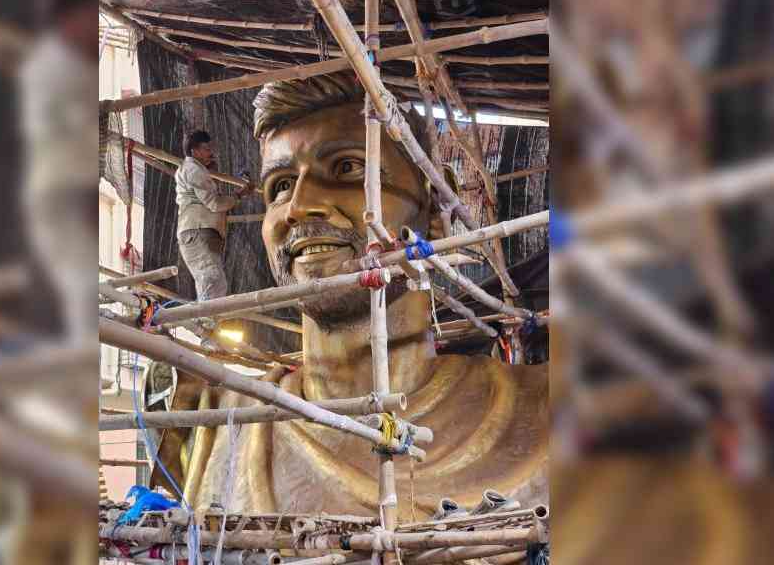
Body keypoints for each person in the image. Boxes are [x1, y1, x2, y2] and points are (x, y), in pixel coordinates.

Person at [150, 73, 548, 517]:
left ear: (434, 211)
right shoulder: (218, 421)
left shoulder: (543, 409)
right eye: (279, 186)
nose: (298, 207)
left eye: (347, 168)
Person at [19, 0, 98, 343]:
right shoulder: (51, 66)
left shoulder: (72, 63)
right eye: (88, 17)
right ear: (70, 17)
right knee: (81, 282)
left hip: (68, 183)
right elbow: (55, 131)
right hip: (60, 187)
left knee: (79, 281)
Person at [176, 130, 252, 303]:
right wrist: (238, 195)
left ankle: (206, 322)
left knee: (211, 280)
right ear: (194, 151)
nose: (211, 153)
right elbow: (215, 204)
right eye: (206, 148)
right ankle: (206, 322)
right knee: (212, 279)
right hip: (198, 230)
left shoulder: (192, 170)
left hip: (197, 232)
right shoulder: (194, 170)